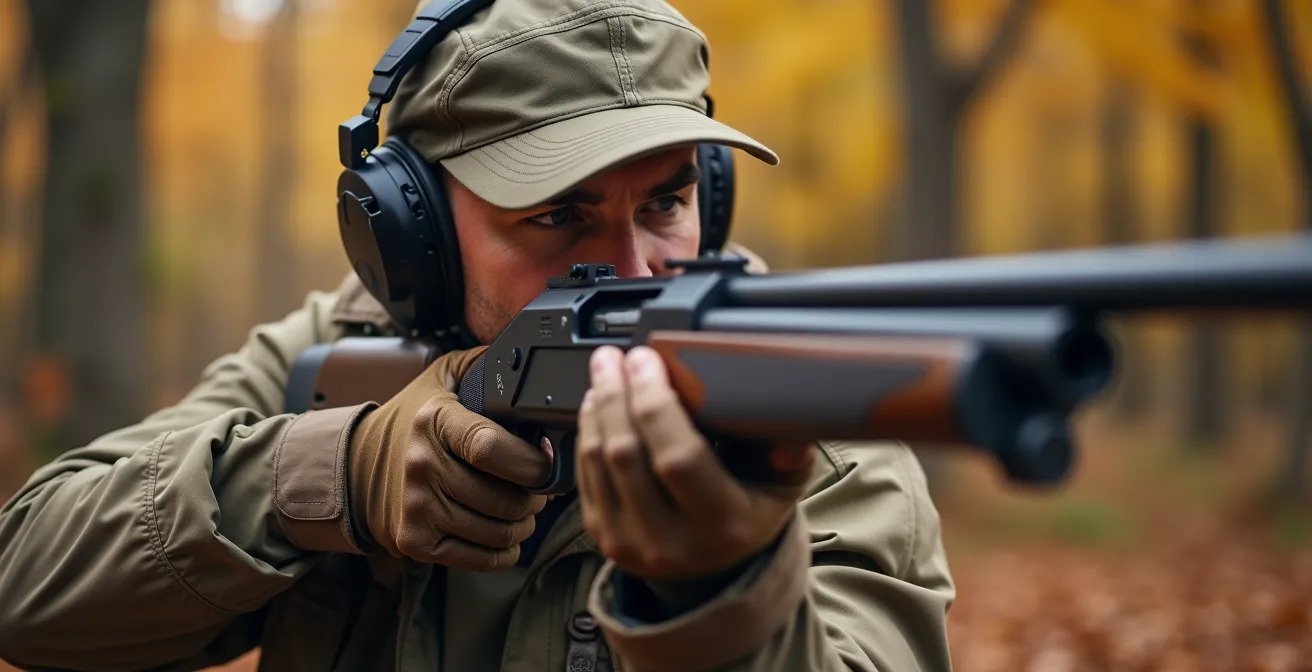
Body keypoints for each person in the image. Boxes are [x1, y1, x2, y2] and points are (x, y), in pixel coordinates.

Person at [0, 1, 956, 670]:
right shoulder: (338, 351)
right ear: (406, 234)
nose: (632, 266)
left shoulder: (802, 416)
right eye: (557, 215)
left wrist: (722, 586)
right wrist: (333, 479)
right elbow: (24, 587)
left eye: (666, 200)